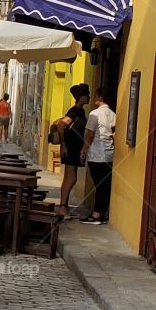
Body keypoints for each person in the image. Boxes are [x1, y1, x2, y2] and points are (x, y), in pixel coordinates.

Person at [53, 83, 90, 218]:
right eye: (86, 95)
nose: (89, 97)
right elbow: (62, 125)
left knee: (70, 178)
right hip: (71, 148)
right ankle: (62, 207)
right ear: (81, 97)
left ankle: (64, 206)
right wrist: (64, 144)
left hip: (73, 147)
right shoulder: (74, 111)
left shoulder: (80, 111)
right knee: (71, 178)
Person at [81, 88, 115, 222]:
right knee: (105, 185)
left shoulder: (94, 114)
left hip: (96, 154)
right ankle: (101, 212)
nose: (94, 98)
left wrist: (84, 150)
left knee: (99, 185)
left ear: (100, 97)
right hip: (109, 153)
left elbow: (90, 134)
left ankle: (96, 214)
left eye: (95, 96)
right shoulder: (113, 114)